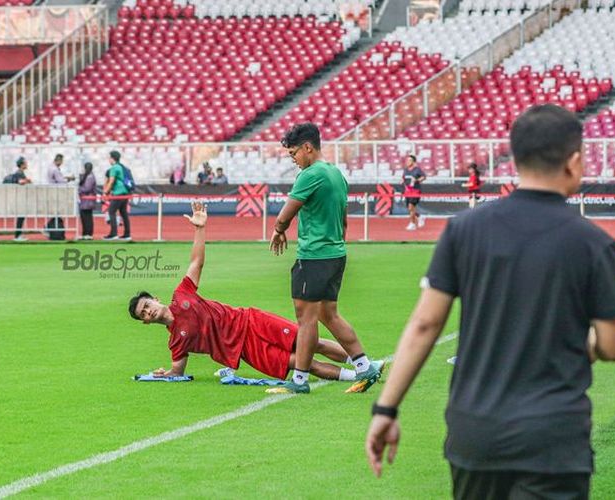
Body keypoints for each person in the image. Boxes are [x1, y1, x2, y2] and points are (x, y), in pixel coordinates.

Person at [365, 104, 615, 498]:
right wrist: (580, 342)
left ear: (517, 159)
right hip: (553, 439)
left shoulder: (463, 229)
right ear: (573, 162)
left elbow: (424, 324)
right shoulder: (594, 243)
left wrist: (386, 409)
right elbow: (611, 345)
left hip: (476, 432)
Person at [128, 202, 375, 383]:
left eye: (147, 305)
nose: (149, 311)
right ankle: (357, 377)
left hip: (249, 321)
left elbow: (196, 262)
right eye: (144, 314)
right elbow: (177, 371)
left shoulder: (182, 295)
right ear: (146, 322)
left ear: (156, 299)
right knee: (302, 363)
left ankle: (364, 364)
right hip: (245, 350)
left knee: (309, 342)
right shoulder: (175, 341)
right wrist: (163, 375)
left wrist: (200, 229)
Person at [268, 122, 382, 394]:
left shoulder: (310, 175)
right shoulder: (337, 174)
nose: (293, 159)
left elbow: (286, 213)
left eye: (293, 153)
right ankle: (365, 367)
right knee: (329, 315)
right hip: (335, 254)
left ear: (308, 148)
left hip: (314, 256)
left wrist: (278, 231)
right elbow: (344, 221)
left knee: (305, 318)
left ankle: (298, 381)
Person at [103, 150, 131, 241]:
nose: (108, 160)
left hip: (118, 193)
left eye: (109, 158)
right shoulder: (122, 167)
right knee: (124, 213)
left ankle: (113, 233)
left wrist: (106, 191)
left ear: (112, 158)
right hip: (125, 192)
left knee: (111, 211)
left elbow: (111, 181)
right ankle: (127, 234)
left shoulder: (114, 168)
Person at [9, 157, 32, 241]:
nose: (27, 164)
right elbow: (20, 182)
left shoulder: (20, 172)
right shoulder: (19, 173)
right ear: (22, 164)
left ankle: (18, 234)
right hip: (20, 198)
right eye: (25, 163)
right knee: (20, 217)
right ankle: (17, 235)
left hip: (20, 197)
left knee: (21, 217)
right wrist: (27, 180)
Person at [402, 155, 426, 230]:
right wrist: (402, 181)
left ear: (413, 162)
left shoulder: (417, 170)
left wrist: (417, 180)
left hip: (415, 191)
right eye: (407, 160)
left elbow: (423, 177)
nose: (408, 162)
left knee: (411, 207)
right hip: (407, 191)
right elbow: (404, 178)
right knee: (410, 209)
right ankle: (419, 216)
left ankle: (412, 224)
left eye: (410, 160)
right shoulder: (405, 170)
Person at [78, 162, 97, 240]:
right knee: (84, 217)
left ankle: (88, 234)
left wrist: (78, 190)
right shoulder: (87, 176)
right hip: (85, 200)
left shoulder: (90, 177)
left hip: (88, 200)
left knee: (87, 217)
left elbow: (87, 188)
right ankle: (85, 233)